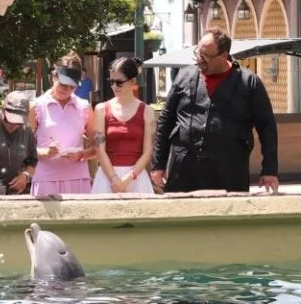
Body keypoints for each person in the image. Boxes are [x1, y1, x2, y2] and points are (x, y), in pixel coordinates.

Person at [151, 28, 279, 193]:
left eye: (205, 57)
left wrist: (270, 169)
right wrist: (158, 165)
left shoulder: (249, 82)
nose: (199, 60)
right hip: (183, 170)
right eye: (198, 53)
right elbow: (165, 121)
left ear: (224, 56)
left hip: (229, 172)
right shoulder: (184, 76)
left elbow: (267, 127)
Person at [28, 52, 96, 195]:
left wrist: (82, 154)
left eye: (72, 87)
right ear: (54, 76)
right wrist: (44, 152)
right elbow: (23, 148)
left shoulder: (84, 107)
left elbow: (98, 146)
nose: (67, 90)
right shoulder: (37, 106)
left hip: (78, 179)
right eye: (63, 84)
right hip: (45, 179)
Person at [91, 57, 156, 194]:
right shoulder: (101, 109)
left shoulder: (147, 111)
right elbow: (99, 149)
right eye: (111, 81)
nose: (114, 86)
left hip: (136, 178)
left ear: (133, 81)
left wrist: (127, 179)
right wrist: (114, 178)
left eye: (119, 82)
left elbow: (147, 152)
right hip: (107, 178)